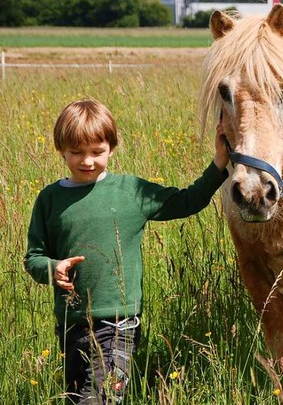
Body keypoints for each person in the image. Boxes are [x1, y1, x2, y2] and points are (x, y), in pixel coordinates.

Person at [23, 98, 229, 404]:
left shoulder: (131, 192)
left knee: (98, 400)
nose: (87, 161)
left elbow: (189, 200)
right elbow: (33, 256)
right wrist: (52, 269)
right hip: (72, 326)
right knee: (77, 397)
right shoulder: (49, 199)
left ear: (112, 148)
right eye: (77, 152)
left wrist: (219, 164)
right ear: (61, 149)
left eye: (97, 152)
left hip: (120, 325)